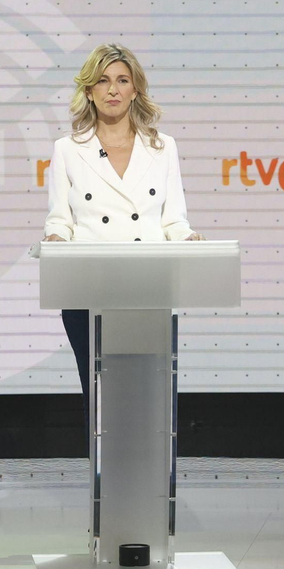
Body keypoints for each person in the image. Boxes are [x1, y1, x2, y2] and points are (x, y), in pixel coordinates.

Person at [41, 43, 201, 399]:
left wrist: (187, 238)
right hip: (87, 286)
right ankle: (98, 457)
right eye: (102, 81)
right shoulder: (68, 149)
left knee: (148, 393)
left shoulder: (162, 147)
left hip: (146, 284)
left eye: (122, 80)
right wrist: (55, 241)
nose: (112, 89)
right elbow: (59, 223)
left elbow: (174, 220)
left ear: (135, 90)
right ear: (89, 91)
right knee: (97, 392)